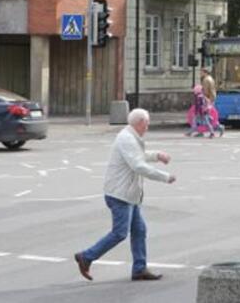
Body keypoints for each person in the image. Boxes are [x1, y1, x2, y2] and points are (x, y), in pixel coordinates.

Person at [74, 109, 176, 282]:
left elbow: (138, 156)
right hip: (120, 194)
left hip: (128, 194)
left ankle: (139, 269)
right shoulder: (127, 138)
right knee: (120, 232)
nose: (148, 127)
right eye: (147, 123)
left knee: (140, 230)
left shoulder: (131, 137)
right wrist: (164, 177)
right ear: (140, 123)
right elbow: (138, 165)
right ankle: (86, 256)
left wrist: (157, 155)